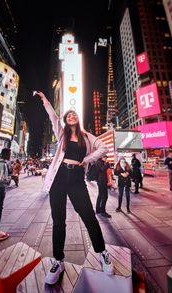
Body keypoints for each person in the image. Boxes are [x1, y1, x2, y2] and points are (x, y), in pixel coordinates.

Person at [36, 91, 113, 285]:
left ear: (77, 119)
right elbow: (52, 116)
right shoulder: (61, 133)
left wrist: (86, 159)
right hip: (59, 177)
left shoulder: (86, 136)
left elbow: (103, 148)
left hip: (77, 178)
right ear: (65, 119)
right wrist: (45, 100)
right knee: (58, 219)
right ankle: (58, 261)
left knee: (88, 215)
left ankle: (102, 253)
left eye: (74, 114)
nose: (72, 116)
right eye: (68, 115)